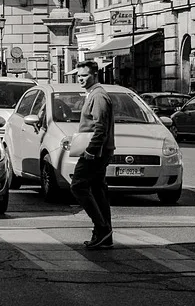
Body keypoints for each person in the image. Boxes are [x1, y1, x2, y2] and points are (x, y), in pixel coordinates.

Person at [71, 60, 116, 250]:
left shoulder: (98, 96)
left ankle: (102, 228)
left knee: (78, 185)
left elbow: (100, 128)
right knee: (98, 189)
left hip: (96, 152)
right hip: (97, 150)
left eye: (84, 76)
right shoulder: (93, 94)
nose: (80, 79)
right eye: (78, 76)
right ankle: (104, 234)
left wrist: (90, 150)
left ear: (94, 75)